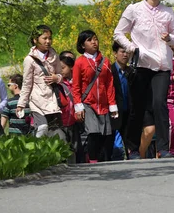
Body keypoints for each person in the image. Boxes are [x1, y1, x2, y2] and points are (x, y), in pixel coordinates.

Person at [114, 0, 174, 159]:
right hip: (140, 65)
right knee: (138, 106)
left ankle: (164, 149)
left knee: (160, 104)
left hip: (161, 66)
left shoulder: (168, 12)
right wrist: (132, 48)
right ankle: (132, 148)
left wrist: (170, 39)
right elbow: (118, 33)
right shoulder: (134, 9)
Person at [73, 30, 119, 163]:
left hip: (104, 104)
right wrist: (78, 106)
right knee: (93, 132)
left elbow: (109, 84)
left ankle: (101, 159)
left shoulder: (105, 61)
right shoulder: (80, 62)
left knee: (104, 134)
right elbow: (76, 86)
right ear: (82, 45)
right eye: (89, 40)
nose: (94, 42)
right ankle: (92, 159)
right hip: (88, 103)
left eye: (95, 39)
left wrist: (112, 104)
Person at [17, 25, 65, 140]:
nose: (48, 41)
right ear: (35, 39)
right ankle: (36, 152)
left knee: (56, 133)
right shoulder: (29, 60)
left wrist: (56, 78)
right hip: (37, 101)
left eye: (50, 38)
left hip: (52, 100)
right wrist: (21, 104)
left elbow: (61, 75)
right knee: (42, 128)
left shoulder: (54, 56)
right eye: (44, 38)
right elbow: (27, 83)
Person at [110, 41, 134, 159]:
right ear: (115, 53)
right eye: (122, 52)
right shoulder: (109, 71)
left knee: (130, 143)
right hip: (114, 112)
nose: (125, 55)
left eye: (127, 52)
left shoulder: (132, 72)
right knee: (116, 147)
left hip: (129, 112)